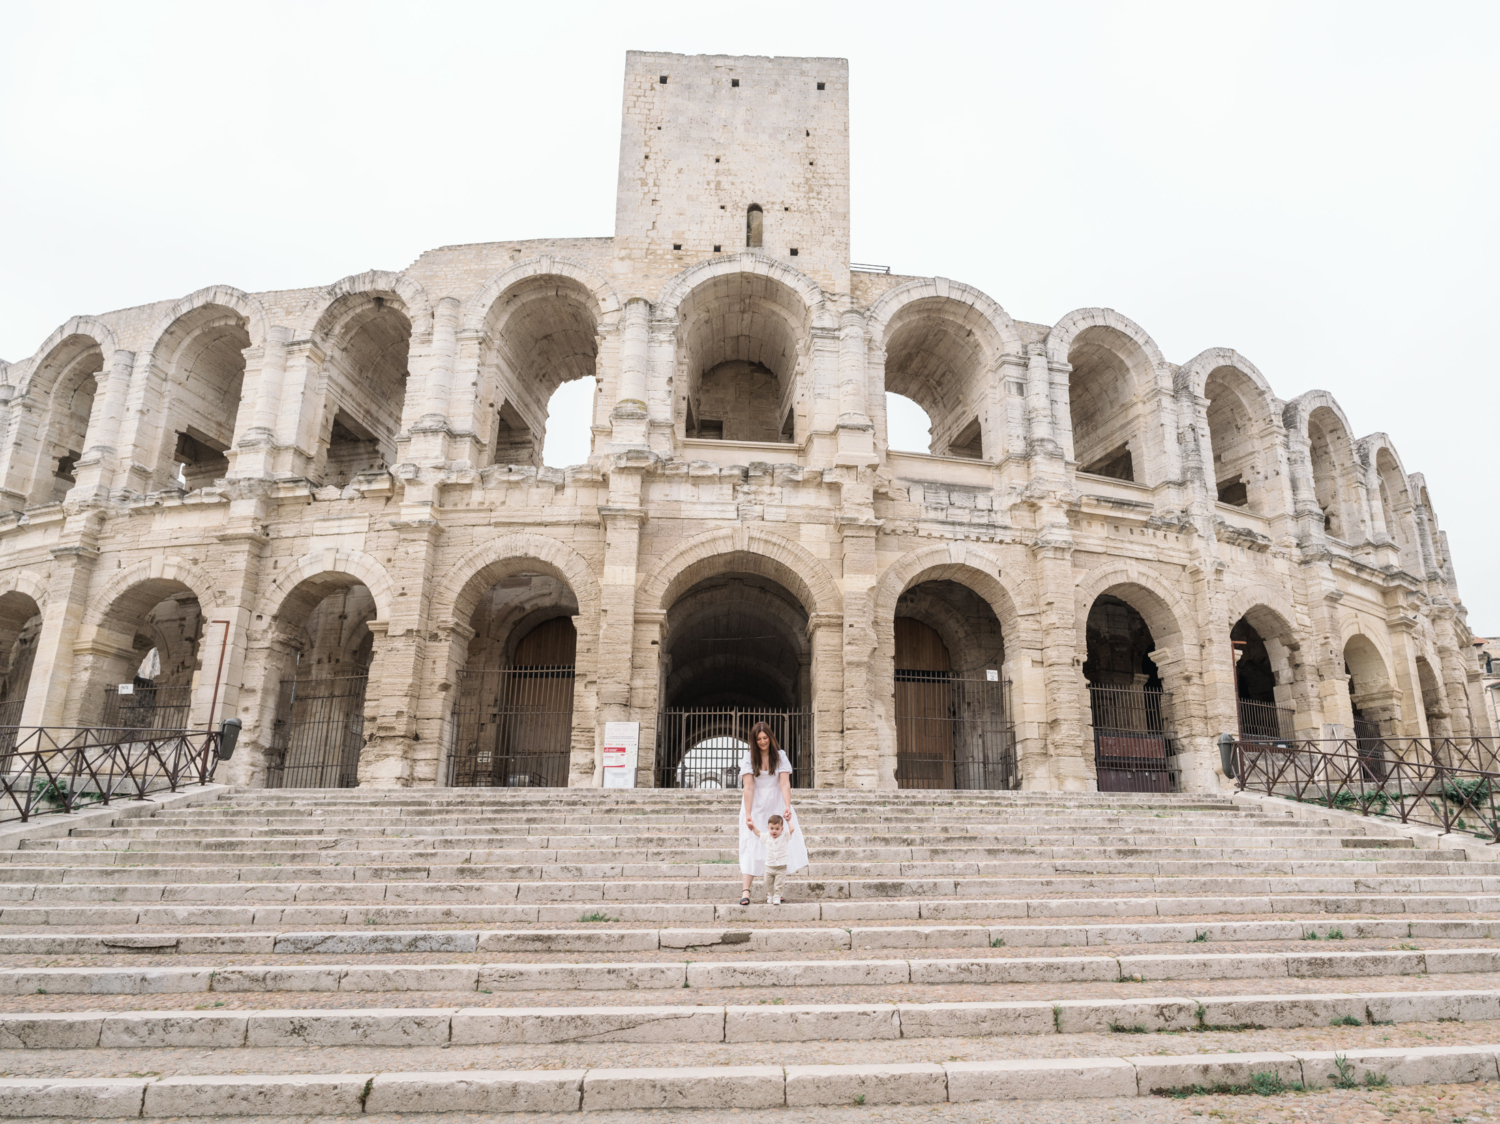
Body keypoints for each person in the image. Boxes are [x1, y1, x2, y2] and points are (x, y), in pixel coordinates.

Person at [739, 722, 808, 906]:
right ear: (754, 741)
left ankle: (776, 890)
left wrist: (787, 806)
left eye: (765, 738)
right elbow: (748, 787)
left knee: (779, 846)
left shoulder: (780, 756)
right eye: (759, 739)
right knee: (751, 844)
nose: (762, 742)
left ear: (770, 737)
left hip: (776, 803)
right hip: (755, 805)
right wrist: (748, 813)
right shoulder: (748, 758)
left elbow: (784, 783)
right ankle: (746, 890)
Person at [762, 814, 790, 904]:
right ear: (768, 828)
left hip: (781, 866)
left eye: (777, 829)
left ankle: (777, 896)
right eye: (772, 828)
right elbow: (758, 833)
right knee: (768, 882)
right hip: (769, 866)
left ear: (782, 829)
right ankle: (770, 895)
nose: (774, 831)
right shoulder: (767, 836)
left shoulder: (784, 836)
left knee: (779, 883)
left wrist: (789, 821)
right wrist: (752, 826)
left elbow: (792, 829)